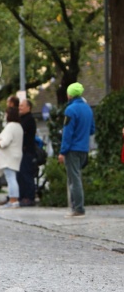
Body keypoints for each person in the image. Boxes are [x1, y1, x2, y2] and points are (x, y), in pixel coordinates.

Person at [58, 82, 95, 218]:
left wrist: (63, 151)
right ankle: (76, 207)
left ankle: (78, 208)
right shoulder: (88, 109)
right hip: (84, 148)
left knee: (74, 179)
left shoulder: (70, 110)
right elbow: (92, 130)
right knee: (77, 177)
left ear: (70, 94)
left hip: (72, 149)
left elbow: (67, 133)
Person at [0, 107, 24, 208]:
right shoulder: (19, 126)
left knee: (11, 178)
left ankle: (13, 201)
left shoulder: (10, 126)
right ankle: (14, 200)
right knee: (12, 178)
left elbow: (5, 142)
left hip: (8, 156)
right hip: (16, 154)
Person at [18, 99, 37, 206]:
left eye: (22, 106)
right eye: (19, 106)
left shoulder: (29, 119)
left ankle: (29, 197)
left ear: (28, 107)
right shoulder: (22, 118)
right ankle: (22, 196)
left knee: (27, 174)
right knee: (21, 175)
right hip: (22, 151)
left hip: (27, 151)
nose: (19, 107)